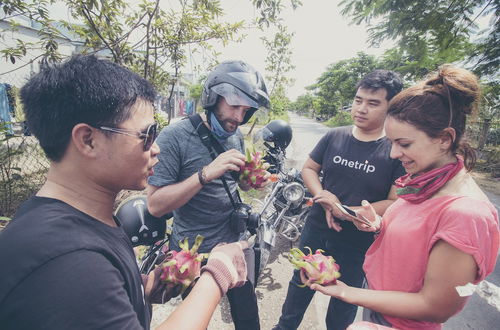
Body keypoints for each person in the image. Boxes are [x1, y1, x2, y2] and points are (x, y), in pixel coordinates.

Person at [0, 55, 250, 330]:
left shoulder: (85, 224)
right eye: (147, 134)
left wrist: (142, 288)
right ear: (88, 140)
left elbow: (93, 301)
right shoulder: (69, 262)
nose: (156, 148)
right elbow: (84, 283)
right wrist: (217, 275)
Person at [309, 66, 499, 329]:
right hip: (378, 309)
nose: (393, 154)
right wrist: (379, 225)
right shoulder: (424, 182)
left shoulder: (466, 213)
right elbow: (417, 240)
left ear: (445, 139)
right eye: (392, 143)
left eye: (404, 144)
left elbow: (436, 306)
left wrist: (347, 292)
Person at [274, 70, 405, 330]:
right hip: (316, 229)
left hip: (358, 242)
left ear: (390, 107)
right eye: (358, 100)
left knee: (344, 304)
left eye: (373, 103)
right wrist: (324, 198)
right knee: (299, 288)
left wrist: (345, 210)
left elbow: (394, 201)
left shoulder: (395, 149)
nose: (361, 108)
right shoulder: (335, 136)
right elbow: (309, 168)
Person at [147, 60, 270, 330]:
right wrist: (204, 174)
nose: (238, 118)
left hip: (233, 246)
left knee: (248, 318)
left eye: (246, 111)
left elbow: (232, 183)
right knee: (196, 319)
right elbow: (155, 206)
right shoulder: (174, 137)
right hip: (194, 254)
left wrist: (250, 180)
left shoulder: (234, 134)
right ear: (213, 98)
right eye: (234, 106)